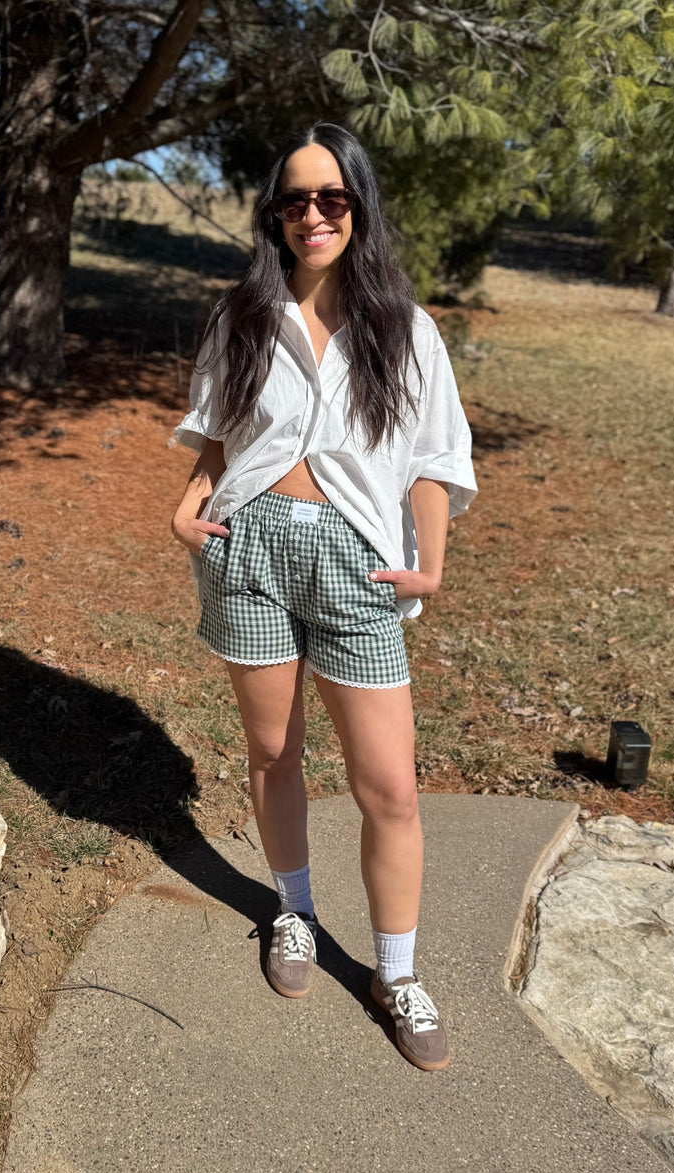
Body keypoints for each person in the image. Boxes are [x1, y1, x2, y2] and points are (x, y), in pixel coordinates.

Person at [170, 121, 477, 1071]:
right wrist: (187, 510)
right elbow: (219, 433)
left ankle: (397, 971)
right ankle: (294, 912)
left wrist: (428, 564)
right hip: (249, 547)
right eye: (294, 200)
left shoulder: (406, 328)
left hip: (357, 565)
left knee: (388, 785)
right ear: (274, 214)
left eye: (332, 197)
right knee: (272, 752)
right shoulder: (241, 316)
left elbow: (431, 458)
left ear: (360, 207)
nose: (313, 214)